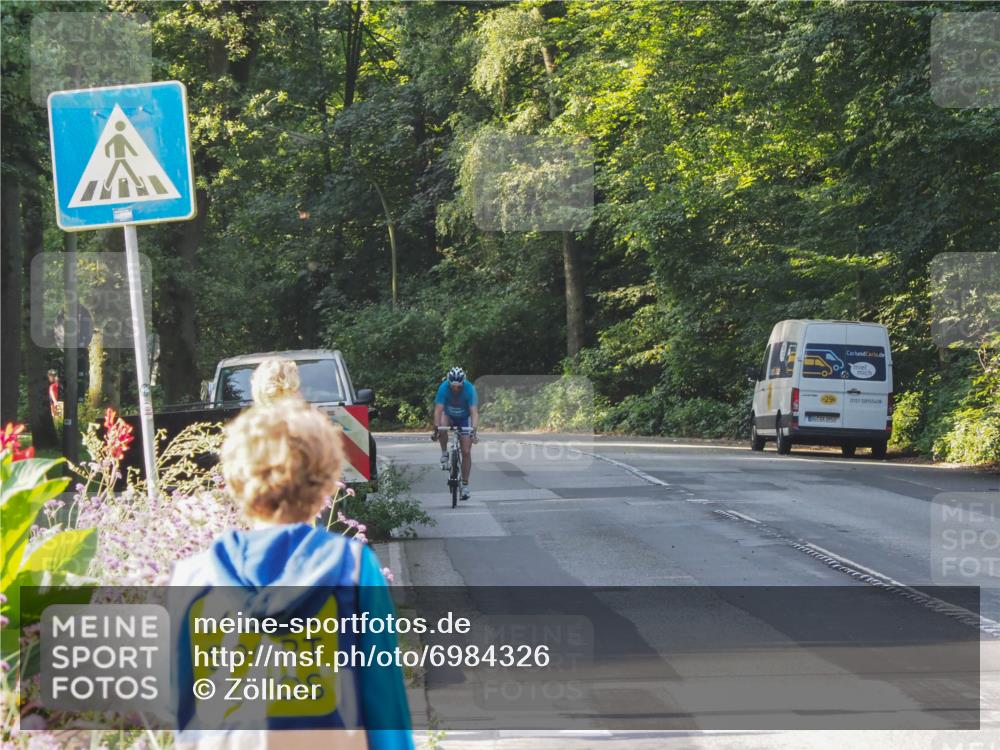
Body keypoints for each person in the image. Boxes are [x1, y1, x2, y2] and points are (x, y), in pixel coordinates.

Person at [169, 399, 412, 750]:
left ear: (236, 480)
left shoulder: (192, 578)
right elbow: (383, 700)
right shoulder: (354, 568)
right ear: (327, 480)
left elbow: (185, 705)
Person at [432, 367, 478, 500]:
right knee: (441, 425)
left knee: (466, 451)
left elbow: (474, 413)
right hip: (449, 416)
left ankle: (465, 485)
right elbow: (438, 410)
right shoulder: (443, 388)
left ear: (463, 382)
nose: (456, 389)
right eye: (453, 386)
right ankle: (444, 453)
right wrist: (436, 429)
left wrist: (474, 431)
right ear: (449, 382)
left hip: (464, 418)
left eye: (459, 386)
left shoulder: (470, 389)